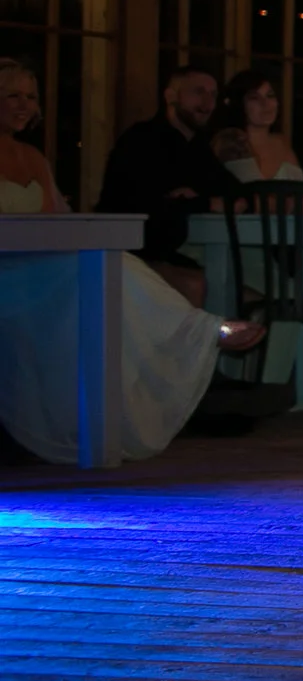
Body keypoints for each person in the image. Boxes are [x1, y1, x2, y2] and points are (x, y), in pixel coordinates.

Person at [0, 58, 264, 466]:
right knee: (107, 268)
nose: (23, 105)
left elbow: (59, 220)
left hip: (43, 267)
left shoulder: (33, 156)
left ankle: (191, 344)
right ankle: (203, 330)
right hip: (10, 271)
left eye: (30, 97)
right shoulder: (142, 141)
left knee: (109, 263)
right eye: (12, 95)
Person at [97, 65, 228, 308]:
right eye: (199, 92)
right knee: (202, 285)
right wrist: (204, 203)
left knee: (234, 286)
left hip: (173, 253)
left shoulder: (199, 147)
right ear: (170, 96)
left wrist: (200, 201)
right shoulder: (141, 140)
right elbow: (145, 207)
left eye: (213, 95)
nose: (208, 103)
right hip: (127, 253)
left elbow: (231, 189)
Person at [199, 68, 301, 186]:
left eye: (270, 95)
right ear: (239, 103)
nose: (265, 103)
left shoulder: (281, 141)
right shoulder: (230, 141)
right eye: (254, 98)